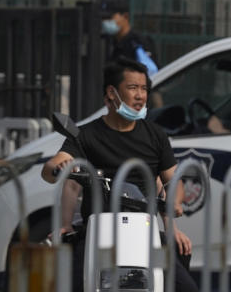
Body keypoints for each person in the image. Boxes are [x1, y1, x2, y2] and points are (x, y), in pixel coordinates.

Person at [41, 58, 198, 292]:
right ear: (112, 93)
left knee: (186, 287)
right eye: (133, 88)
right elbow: (59, 172)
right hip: (97, 229)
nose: (140, 96)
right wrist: (59, 167)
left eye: (144, 89)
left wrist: (173, 211)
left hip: (144, 230)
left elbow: (172, 181)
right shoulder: (86, 135)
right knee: (72, 284)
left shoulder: (155, 135)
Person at [101, 0, 158, 75]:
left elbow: (150, 72)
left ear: (125, 16)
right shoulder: (110, 43)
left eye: (109, 18)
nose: (105, 22)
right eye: (103, 18)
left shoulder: (137, 43)